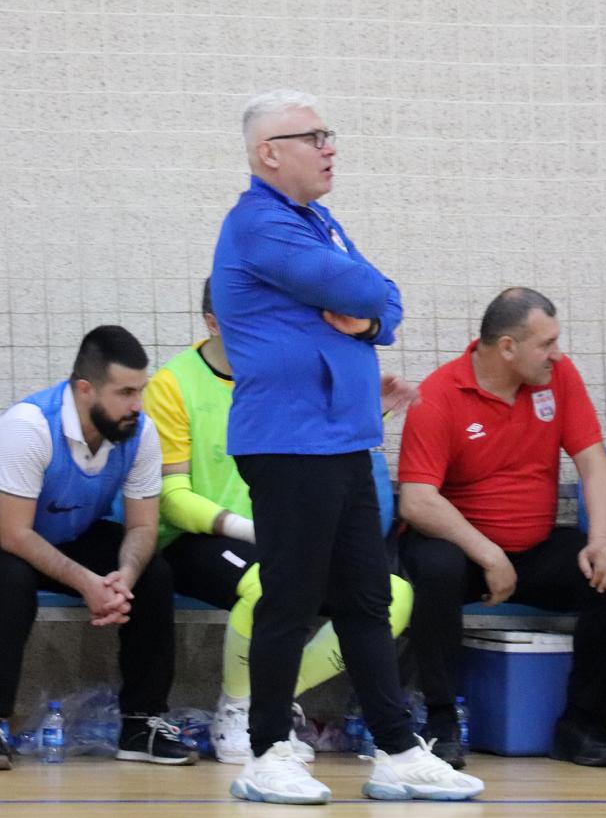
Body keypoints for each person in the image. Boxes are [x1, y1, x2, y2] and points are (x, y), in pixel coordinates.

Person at [211, 89, 484, 804]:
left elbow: (384, 300)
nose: (329, 147)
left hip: (344, 440)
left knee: (367, 598)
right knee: (291, 600)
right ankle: (267, 751)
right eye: (313, 137)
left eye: (328, 134)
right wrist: (367, 305)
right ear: (269, 154)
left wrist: (367, 324)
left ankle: (397, 750)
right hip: (290, 444)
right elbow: (358, 284)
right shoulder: (261, 225)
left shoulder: (318, 222)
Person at [143, 278, 415, 765]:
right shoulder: (174, 383)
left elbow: (317, 450)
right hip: (200, 538)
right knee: (270, 585)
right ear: (214, 322)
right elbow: (171, 496)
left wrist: (370, 411)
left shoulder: (286, 376)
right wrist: (246, 529)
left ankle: (268, 696)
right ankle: (237, 712)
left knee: (391, 595)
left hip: (283, 531)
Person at [398, 287, 606, 771]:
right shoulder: (439, 394)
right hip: (464, 548)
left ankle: (582, 724)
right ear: (507, 347)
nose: (557, 354)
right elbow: (418, 501)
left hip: (536, 546)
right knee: (436, 569)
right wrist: (488, 554)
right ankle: (441, 722)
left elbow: (594, 465)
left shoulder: (559, 377)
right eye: (546, 343)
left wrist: (603, 541)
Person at [0, 327, 193, 769]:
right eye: (125, 392)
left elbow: (142, 526)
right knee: (11, 581)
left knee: (153, 573)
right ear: (85, 389)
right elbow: (15, 535)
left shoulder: (141, 432)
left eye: (141, 390)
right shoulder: (29, 426)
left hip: (60, 532)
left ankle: (141, 724)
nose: (138, 404)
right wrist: (88, 584)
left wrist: (123, 578)